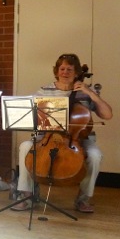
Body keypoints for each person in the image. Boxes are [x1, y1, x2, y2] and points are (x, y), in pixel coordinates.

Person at [12, 53, 112, 213]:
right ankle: (27, 195)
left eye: (70, 69)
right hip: (47, 136)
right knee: (25, 146)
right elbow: (32, 112)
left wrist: (91, 93)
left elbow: (107, 115)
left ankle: (83, 199)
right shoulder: (45, 91)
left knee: (95, 155)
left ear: (77, 72)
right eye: (62, 69)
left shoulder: (86, 91)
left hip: (78, 137)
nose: (65, 72)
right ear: (57, 71)